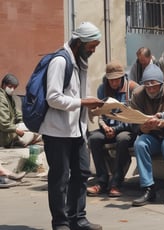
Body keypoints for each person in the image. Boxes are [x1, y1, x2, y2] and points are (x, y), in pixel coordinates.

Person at [38, 22, 103, 230]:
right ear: (80, 43)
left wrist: (95, 108)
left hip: (78, 130)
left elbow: (80, 95)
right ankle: (60, 222)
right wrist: (83, 103)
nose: (93, 50)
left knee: (82, 172)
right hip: (57, 131)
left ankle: (78, 218)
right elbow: (53, 98)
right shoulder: (60, 61)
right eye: (92, 45)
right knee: (60, 178)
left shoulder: (81, 62)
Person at [130, 64, 164, 207]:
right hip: (150, 134)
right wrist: (142, 128)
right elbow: (133, 120)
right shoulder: (137, 94)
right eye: (147, 86)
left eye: (154, 86)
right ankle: (148, 188)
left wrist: (163, 124)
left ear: (161, 84)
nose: (151, 89)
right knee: (140, 144)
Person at [87, 60, 139, 197]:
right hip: (107, 128)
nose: (114, 83)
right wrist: (104, 127)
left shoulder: (132, 89)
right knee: (94, 138)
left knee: (122, 139)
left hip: (127, 128)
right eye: (111, 80)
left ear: (122, 77)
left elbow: (134, 117)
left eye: (117, 80)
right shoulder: (102, 89)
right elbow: (100, 113)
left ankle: (116, 183)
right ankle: (102, 180)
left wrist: (115, 129)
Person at [0, 74, 41, 148]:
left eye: (14, 87)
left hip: (11, 128)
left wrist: (26, 122)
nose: (12, 89)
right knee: (31, 136)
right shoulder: (1, 99)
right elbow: (4, 124)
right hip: (4, 135)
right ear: (3, 85)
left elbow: (17, 114)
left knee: (35, 129)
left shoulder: (9, 97)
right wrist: (17, 130)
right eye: (10, 87)